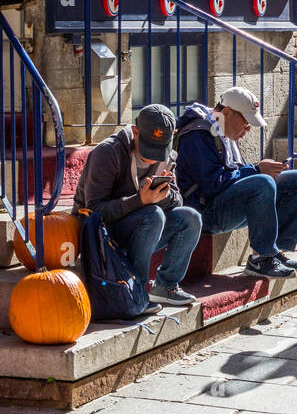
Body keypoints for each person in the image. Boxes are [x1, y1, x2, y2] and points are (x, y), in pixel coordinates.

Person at [174, 87, 297, 281]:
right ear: (227, 113)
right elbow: (212, 184)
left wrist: (262, 171)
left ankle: (275, 252)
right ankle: (261, 258)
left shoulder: (222, 129)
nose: (247, 131)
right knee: (262, 183)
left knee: (296, 180)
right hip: (204, 212)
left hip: (224, 202)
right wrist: (256, 170)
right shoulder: (198, 134)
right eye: (246, 124)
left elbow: (234, 172)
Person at [72, 104, 202, 306]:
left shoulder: (168, 156)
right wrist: (140, 200)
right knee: (153, 215)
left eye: (159, 150)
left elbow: (178, 200)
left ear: (172, 136)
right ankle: (137, 293)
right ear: (135, 131)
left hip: (143, 230)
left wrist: (162, 195)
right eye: (149, 147)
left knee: (190, 217)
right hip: (102, 235)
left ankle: (165, 286)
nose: (153, 158)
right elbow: (94, 212)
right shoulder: (108, 153)